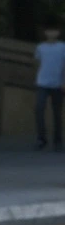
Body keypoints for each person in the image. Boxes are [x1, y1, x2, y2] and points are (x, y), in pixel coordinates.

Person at [35, 20, 65, 151]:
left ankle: (57, 139)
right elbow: (37, 63)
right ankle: (42, 138)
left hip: (57, 84)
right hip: (42, 83)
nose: (51, 33)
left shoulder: (63, 47)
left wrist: (64, 81)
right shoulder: (40, 47)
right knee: (39, 109)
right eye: (49, 31)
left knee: (57, 112)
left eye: (54, 31)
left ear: (58, 32)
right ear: (45, 32)